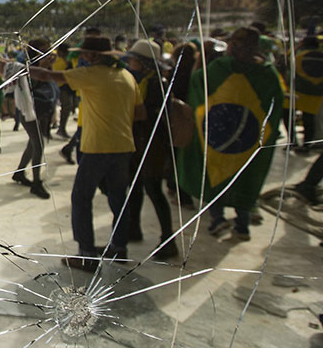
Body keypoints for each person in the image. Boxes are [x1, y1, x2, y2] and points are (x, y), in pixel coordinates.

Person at [31, 36, 142, 270]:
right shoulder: (127, 76)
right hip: (123, 146)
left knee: (81, 198)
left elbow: (48, 76)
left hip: (97, 147)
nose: (81, 57)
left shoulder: (90, 74)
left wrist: (17, 69)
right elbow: (140, 114)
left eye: (84, 54)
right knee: (118, 198)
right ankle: (119, 248)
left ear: (92, 56)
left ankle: (87, 255)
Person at [178, 27, 285, 241]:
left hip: (218, 135)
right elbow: (275, 102)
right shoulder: (266, 72)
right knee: (245, 176)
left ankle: (218, 219)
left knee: (215, 174)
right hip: (249, 140)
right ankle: (242, 225)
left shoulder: (219, 68)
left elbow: (198, 84)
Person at [122, 39, 178, 259]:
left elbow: (149, 116)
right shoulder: (148, 80)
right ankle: (133, 227)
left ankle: (168, 240)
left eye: (134, 59)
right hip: (142, 142)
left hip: (152, 144)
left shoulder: (155, 84)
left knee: (154, 190)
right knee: (135, 187)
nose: (130, 62)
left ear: (143, 62)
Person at [4, 39, 51, 199]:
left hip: (41, 108)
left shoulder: (41, 64)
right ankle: (36, 182)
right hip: (28, 110)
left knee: (33, 144)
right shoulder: (26, 66)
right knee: (38, 145)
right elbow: (30, 84)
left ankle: (19, 172)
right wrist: (42, 68)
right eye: (44, 50)